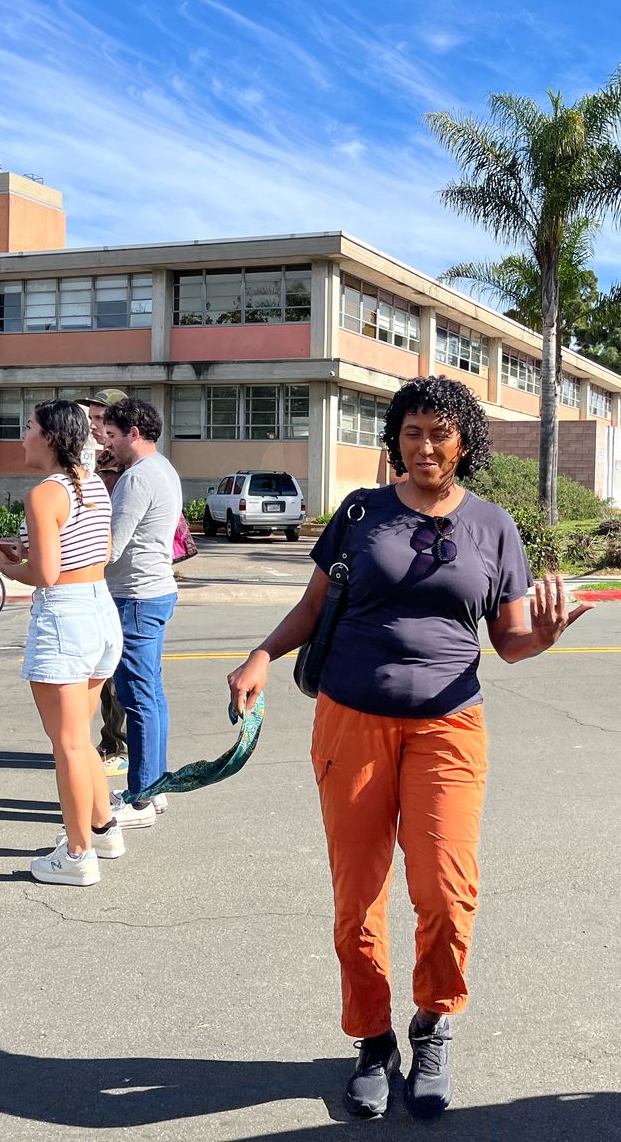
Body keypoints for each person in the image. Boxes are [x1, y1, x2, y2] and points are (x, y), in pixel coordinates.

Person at [225, 375, 590, 1119]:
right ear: (396, 439)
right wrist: (262, 655)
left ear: (464, 443)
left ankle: (432, 1023)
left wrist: (544, 636)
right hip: (351, 720)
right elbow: (314, 605)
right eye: (413, 432)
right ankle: (371, 1040)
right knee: (358, 895)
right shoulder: (362, 513)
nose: (425, 446)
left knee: (447, 892)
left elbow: (510, 640)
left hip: (449, 727)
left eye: (440, 433)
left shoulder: (494, 527)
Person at [0, 400, 123, 886]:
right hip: (100, 610)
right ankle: (103, 829)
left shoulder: (44, 493)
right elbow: (98, 551)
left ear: (49, 436)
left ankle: (78, 853)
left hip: (65, 616)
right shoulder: (92, 484)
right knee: (79, 738)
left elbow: (45, 575)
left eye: (28, 427)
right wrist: (23, 551)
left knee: (67, 745)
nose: (22, 435)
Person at [99, 397, 183, 829]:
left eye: (112, 435)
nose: (107, 443)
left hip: (135, 596)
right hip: (152, 592)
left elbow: (112, 546)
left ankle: (140, 799)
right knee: (149, 694)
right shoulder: (163, 467)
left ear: (134, 433)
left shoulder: (136, 477)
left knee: (137, 697)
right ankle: (154, 786)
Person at [77, 389, 129, 774]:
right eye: (92, 419)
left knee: (118, 670)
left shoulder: (127, 467)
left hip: (120, 577)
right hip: (98, 578)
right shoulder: (95, 460)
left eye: (101, 420)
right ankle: (110, 741)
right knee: (103, 668)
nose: (94, 426)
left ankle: (119, 745)